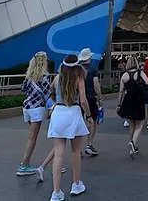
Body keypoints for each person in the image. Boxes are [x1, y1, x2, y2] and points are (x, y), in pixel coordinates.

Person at [47, 54, 91, 201]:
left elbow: (51, 93)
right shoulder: (79, 78)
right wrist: (89, 116)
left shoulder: (58, 78)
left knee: (59, 154)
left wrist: (55, 104)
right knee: (75, 151)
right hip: (73, 112)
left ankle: (56, 192)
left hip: (58, 112)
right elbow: (83, 100)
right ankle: (76, 184)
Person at [17, 51, 52, 176]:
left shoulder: (29, 75)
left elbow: (23, 89)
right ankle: (24, 165)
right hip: (37, 109)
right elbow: (48, 93)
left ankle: (26, 163)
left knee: (31, 136)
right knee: (32, 138)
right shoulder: (44, 76)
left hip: (27, 107)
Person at [117, 55, 148, 158]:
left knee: (131, 124)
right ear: (136, 63)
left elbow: (121, 91)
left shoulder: (124, 75)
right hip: (139, 100)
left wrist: (119, 104)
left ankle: (132, 145)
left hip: (128, 100)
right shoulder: (140, 73)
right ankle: (133, 143)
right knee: (140, 124)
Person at [77, 48, 101, 157]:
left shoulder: (76, 69)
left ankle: (78, 148)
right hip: (90, 98)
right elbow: (96, 84)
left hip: (77, 99)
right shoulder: (92, 69)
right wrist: (99, 97)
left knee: (79, 122)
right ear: (89, 57)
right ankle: (89, 144)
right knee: (93, 121)